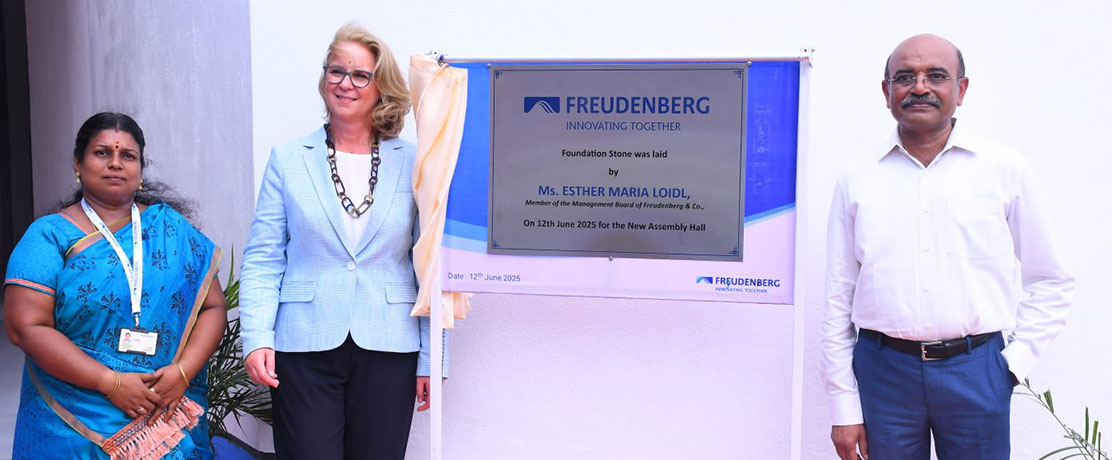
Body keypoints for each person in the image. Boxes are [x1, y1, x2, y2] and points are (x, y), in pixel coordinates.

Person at [821, 34, 1074, 460]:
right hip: (883, 373)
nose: (920, 87)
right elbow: (836, 294)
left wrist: (1010, 367)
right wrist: (842, 405)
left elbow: (1050, 279)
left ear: (961, 88)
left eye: (935, 75)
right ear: (887, 92)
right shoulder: (857, 178)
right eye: (905, 77)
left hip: (976, 370)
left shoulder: (1003, 169)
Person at [240, 23, 445, 460]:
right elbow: (263, 257)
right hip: (302, 347)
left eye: (359, 75)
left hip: (390, 344)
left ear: (380, 87)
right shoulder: (289, 159)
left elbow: (429, 265)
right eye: (336, 71)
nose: (344, 84)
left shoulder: (414, 162)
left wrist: (431, 356)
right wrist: (257, 336)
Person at [3, 112, 227, 459]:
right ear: (78, 164)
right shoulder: (49, 236)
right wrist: (111, 383)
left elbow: (212, 306)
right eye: (102, 153)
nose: (115, 164)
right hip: (72, 413)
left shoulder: (170, 229)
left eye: (128, 156)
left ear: (140, 169)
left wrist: (182, 373)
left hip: (161, 403)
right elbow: (26, 327)